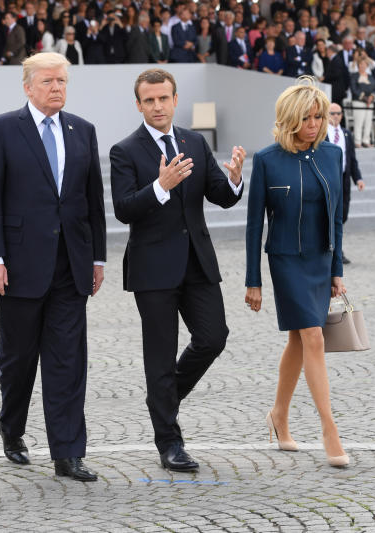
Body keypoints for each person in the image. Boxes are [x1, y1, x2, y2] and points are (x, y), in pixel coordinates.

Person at [0, 52, 106, 482]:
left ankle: (67, 454)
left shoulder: (83, 130)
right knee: (18, 360)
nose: (56, 88)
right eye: (48, 81)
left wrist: (97, 257)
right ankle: (12, 429)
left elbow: (93, 201)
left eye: (62, 81)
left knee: (68, 360)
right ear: (28, 87)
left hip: (71, 265)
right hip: (18, 267)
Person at [109, 68, 245, 472]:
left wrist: (234, 179)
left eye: (163, 98)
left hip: (197, 263)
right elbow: (123, 208)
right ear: (138, 105)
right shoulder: (124, 151)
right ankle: (169, 443)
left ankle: (163, 398)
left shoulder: (194, 142)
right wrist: (160, 186)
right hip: (153, 270)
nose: (157, 106)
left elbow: (220, 196)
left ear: (175, 100)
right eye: (149, 100)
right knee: (160, 357)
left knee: (213, 337)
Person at [245, 77, 349, 469]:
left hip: (321, 260)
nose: (313, 124)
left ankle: (279, 414)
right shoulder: (267, 159)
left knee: (298, 339)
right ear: (289, 118)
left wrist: (337, 269)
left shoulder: (332, 155)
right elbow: (254, 226)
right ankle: (329, 428)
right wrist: (253, 280)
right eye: (305, 118)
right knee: (313, 337)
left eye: (318, 117)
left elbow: (336, 218)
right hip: (286, 260)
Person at [326, 103, 364, 264]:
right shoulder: (322, 134)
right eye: (332, 113)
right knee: (330, 215)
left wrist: (358, 178)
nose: (336, 116)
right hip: (328, 179)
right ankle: (335, 250)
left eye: (338, 113)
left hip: (343, 178)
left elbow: (352, 159)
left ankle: (335, 246)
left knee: (343, 214)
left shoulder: (346, 134)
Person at [350, 58, 375, 147]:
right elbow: (354, 89)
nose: (363, 66)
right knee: (359, 122)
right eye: (361, 64)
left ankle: (366, 141)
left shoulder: (370, 77)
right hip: (359, 102)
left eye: (364, 64)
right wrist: (365, 98)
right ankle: (357, 142)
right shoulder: (354, 76)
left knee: (368, 122)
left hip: (370, 103)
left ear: (367, 66)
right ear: (358, 65)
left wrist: (371, 97)